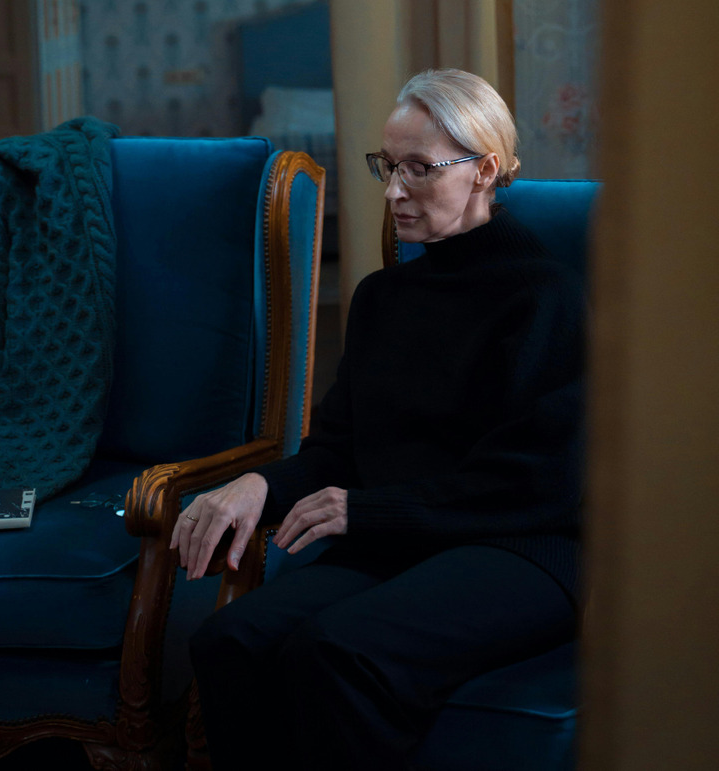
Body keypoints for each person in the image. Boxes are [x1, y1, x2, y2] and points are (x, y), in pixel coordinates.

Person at [171, 68, 585, 770]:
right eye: (388, 166)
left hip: (522, 548)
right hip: (396, 539)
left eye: (419, 169)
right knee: (229, 641)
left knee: (337, 651)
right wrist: (259, 485)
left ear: (485, 171)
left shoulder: (547, 296)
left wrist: (366, 511)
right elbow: (338, 449)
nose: (393, 192)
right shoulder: (382, 298)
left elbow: (539, 482)